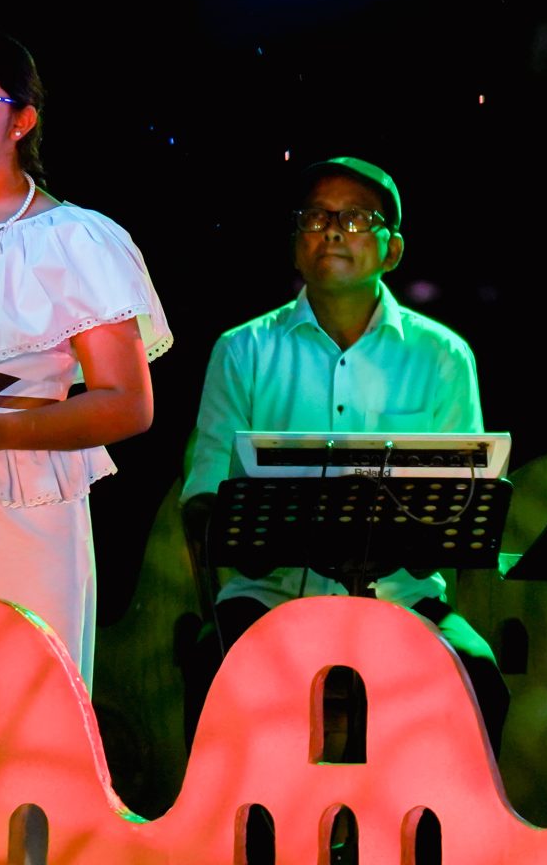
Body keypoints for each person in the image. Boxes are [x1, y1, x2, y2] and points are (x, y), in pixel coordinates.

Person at [180, 156, 508, 745]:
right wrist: (229, 533)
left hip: (402, 602)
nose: (333, 231)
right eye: (316, 217)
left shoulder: (442, 356)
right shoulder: (241, 351)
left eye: (356, 219)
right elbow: (205, 490)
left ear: (393, 249)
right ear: (294, 244)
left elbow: (465, 500)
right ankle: (250, 838)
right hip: (270, 598)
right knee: (212, 669)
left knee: (478, 674)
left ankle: (427, 839)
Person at [0, 25, 167, 683]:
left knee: (23, 710)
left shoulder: (75, 240)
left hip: (23, 506)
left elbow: (127, 404)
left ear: (21, 119)